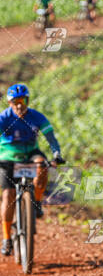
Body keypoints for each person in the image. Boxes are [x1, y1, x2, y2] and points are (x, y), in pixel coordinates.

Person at [0, 84, 65, 256]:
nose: (20, 105)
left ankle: (35, 201)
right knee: (8, 195)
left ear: (28, 100)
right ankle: (6, 238)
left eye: (23, 100)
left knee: (42, 165)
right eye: (15, 102)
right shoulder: (3, 118)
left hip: (30, 154)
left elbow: (51, 138)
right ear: (9, 103)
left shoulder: (36, 117)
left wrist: (56, 154)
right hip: (8, 157)